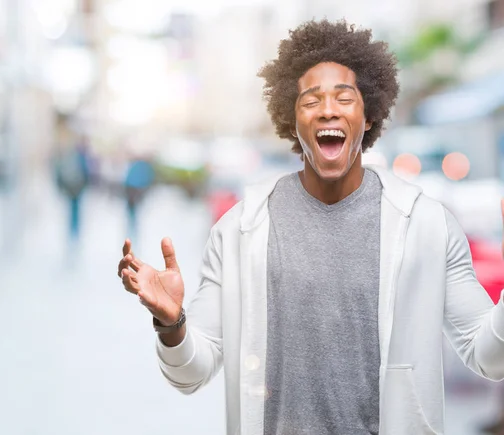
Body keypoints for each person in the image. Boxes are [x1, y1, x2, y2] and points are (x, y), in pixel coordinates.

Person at [117, 19, 504, 434]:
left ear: (368, 116)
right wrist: (172, 323)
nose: (328, 109)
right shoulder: (237, 232)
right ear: (292, 119)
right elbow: (191, 373)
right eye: (310, 100)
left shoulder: (428, 225)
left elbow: (488, 356)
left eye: (344, 97)